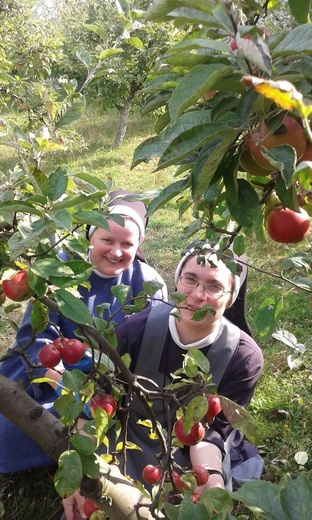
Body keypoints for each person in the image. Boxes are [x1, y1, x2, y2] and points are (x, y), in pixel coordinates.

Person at [60, 242, 264, 520]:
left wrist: (210, 480)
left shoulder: (243, 357)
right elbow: (94, 404)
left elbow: (213, 432)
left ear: (230, 298)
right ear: (177, 280)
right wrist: (79, 474)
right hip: (127, 435)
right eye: (190, 279)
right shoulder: (135, 330)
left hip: (187, 451)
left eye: (214, 286)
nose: (198, 295)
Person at [0, 190, 168, 474]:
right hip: (53, 373)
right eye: (107, 240)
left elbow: (152, 350)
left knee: (103, 421)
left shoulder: (148, 283)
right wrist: (64, 385)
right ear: (90, 236)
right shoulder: (59, 270)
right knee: (22, 424)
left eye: (127, 243)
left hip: (110, 381)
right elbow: (35, 339)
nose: (116, 252)